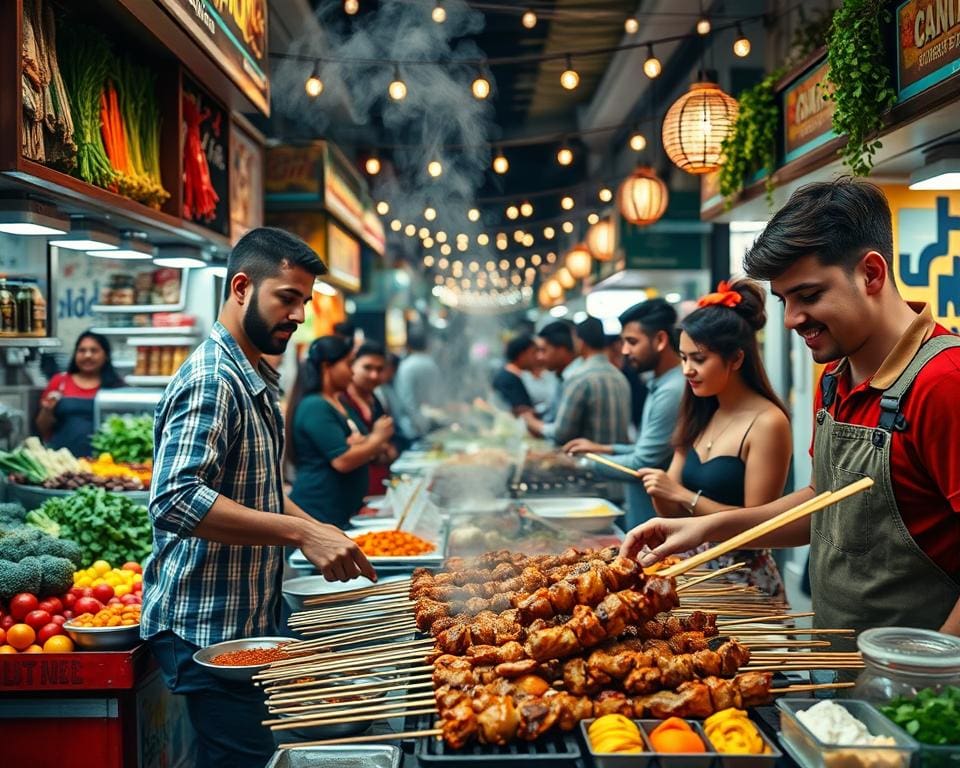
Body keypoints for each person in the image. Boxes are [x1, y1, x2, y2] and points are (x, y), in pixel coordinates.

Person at [622, 179, 960, 637]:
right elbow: (824, 504)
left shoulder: (945, 382)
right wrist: (705, 529)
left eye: (809, 295)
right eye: (784, 300)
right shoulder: (836, 379)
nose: (790, 319)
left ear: (872, 274)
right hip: (837, 660)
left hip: (916, 691)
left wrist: (927, 671)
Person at [141, 227, 377, 768]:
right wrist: (300, 532)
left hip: (245, 618)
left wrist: (320, 530)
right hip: (205, 626)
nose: (298, 315)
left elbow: (263, 490)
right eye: (286, 298)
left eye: (304, 302)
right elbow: (175, 498)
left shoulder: (254, 375)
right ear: (243, 287)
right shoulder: (213, 379)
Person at [631, 281, 791, 596]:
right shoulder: (698, 410)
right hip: (690, 575)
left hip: (742, 582)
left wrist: (682, 495)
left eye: (699, 359)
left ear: (736, 359)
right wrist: (660, 491)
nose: (687, 370)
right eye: (683, 358)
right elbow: (673, 515)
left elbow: (757, 528)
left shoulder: (768, 423)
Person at [565, 299, 686, 528]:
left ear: (660, 340)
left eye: (632, 342)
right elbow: (649, 448)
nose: (625, 350)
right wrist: (603, 449)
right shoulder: (660, 382)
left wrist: (583, 463)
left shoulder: (672, 390)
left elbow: (642, 462)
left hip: (656, 521)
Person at [287, 337, 395, 528]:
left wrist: (364, 443)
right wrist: (377, 438)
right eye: (348, 364)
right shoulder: (315, 405)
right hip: (318, 511)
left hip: (342, 512)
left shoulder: (339, 403)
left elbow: (357, 445)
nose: (352, 371)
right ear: (327, 366)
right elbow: (342, 460)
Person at [526, 317, 631, 446]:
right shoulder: (619, 377)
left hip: (589, 463)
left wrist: (533, 423)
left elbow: (561, 434)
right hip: (616, 461)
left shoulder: (579, 378)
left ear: (580, 343)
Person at [36, 331, 124, 457]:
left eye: (94, 351)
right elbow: (43, 428)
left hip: (105, 463)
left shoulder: (116, 387)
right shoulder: (59, 382)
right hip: (64, 462)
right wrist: (47, 410)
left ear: (106, 355)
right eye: (82, 350)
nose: (87, 355)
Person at [340, 341, 397, 498]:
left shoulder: (376, 400)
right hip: (353, 494)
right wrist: (377, 443)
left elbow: (390, 448)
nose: (374, 375)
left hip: (380, 490)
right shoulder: (341, 402)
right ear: (352, 366)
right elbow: (344, 453)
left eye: (380, 369)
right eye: (367, 368)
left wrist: (371, 446)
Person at [394, 330, 444, 440]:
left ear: (408, 346)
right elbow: (438, 393)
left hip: (412, 425)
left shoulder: (406, 366)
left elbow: (406, 397)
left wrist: (417, 421)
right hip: (432, 419)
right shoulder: (432, 364)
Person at [491, 334, 539, 416]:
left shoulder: (514, 376)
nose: (537, 358)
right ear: (522, 355)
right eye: (533, 353)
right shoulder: (507, 380)